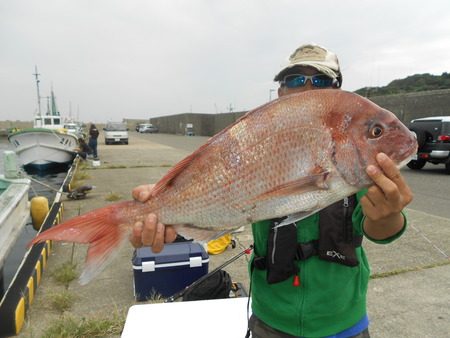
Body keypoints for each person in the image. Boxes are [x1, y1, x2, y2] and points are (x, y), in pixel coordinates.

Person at [130, 44, 413, 337]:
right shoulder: (255, 138)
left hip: (342, 319)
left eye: (320, 81)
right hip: (271, 320)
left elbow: (380, 229)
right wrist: (164, 203)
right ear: (280, 92)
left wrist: (388, 214)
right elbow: (212, 181)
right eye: (295, 79)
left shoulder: (356, 161)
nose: (307, 87)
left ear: (336, 90)